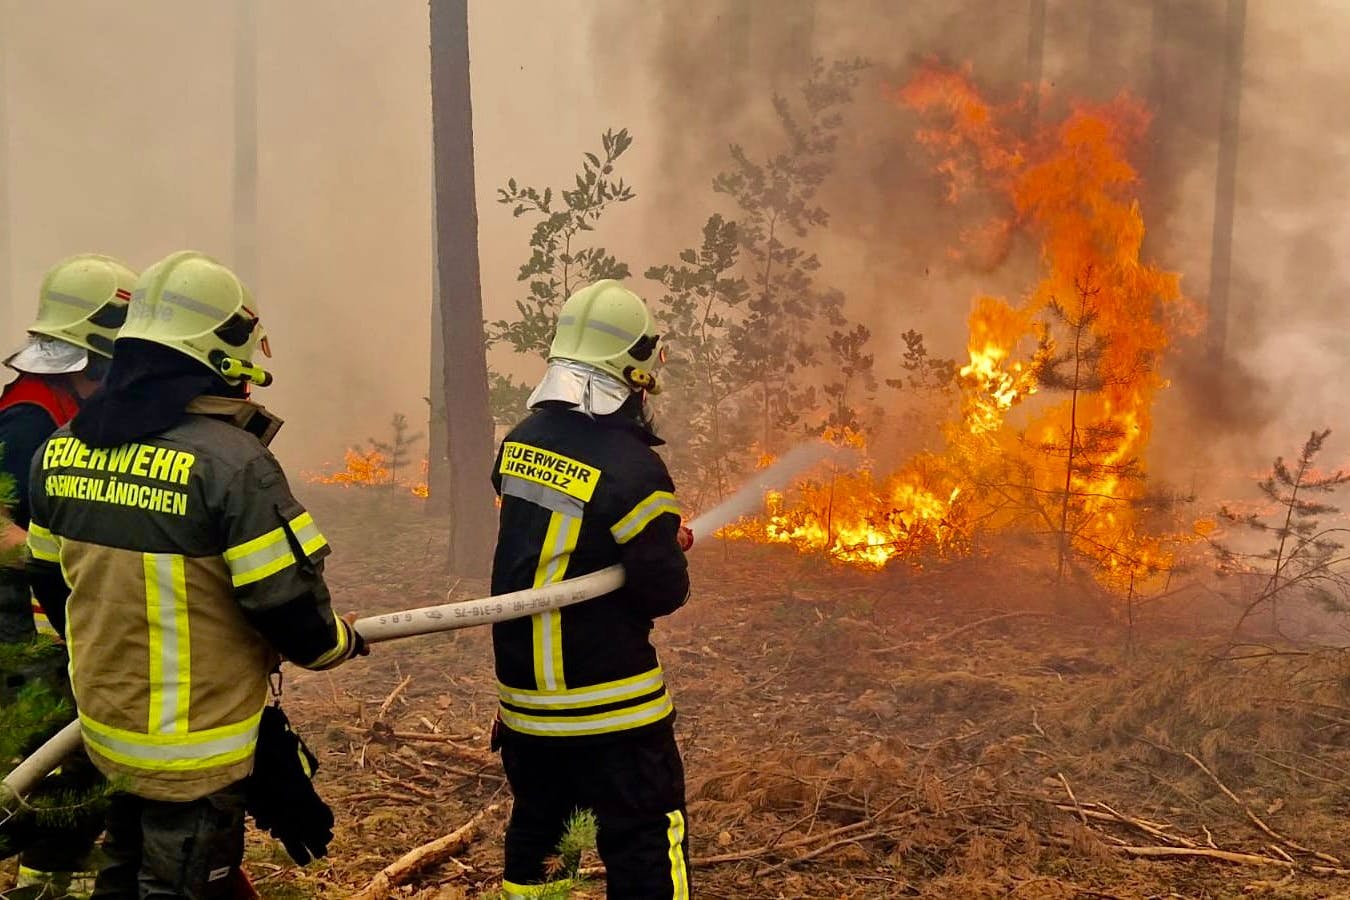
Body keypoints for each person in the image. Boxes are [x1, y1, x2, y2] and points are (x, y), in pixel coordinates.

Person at [25, 250, 367, 898]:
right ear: (218, 360)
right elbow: (289, 607)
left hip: (105, 736)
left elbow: (51, 589)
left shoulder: (60, 449)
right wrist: (338, 643)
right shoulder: (232, 466)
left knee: (119, 877)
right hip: (196, 758)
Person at [489, 279, 692, 899]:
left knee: (544, 844)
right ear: (634, 372)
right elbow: (661, 590)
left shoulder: (519, 441)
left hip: (525, 705)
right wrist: (662, 545)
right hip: (613, 706)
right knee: (643, 843)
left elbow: (549, 540)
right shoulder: (634, 467)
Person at [0, 253, 136, 897]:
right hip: (22, 630)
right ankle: (48, 884)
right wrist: (78, 561)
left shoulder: (56, 404)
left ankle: (53, 878)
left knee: (74, 764)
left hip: (54, 619)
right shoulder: (27, 417)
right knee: (55, 763)